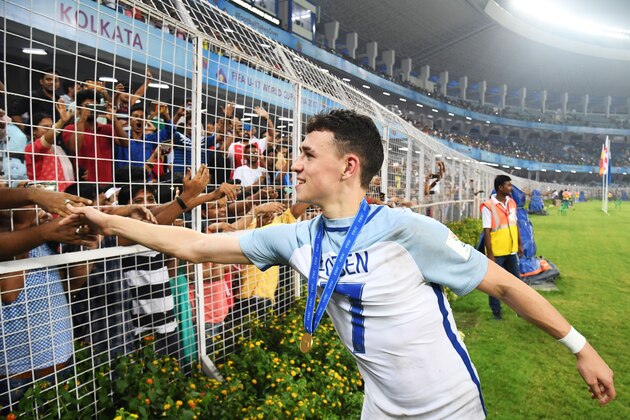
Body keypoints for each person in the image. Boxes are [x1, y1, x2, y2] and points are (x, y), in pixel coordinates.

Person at [64, 110, 615, 418]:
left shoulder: (407, 231)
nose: (293, 165)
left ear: (348, 166)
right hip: (378, 406)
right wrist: (109, 222)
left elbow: (507, 287)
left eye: (306, 155)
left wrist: (582, 350)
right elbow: (192, 246)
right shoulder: (295, 237)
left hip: (446, 406)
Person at [480, 175, 523, 320]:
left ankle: (521, 310)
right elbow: (486, 231)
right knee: (495, 284)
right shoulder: (488, 206)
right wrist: (490, 254)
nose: (511, 188)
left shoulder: (512, 203)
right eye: (509, 185)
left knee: (516, 282)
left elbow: (515, 224)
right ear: (500, 187)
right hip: (497, 252)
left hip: (512, 250)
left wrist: (520, 244)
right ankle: (496, 312)